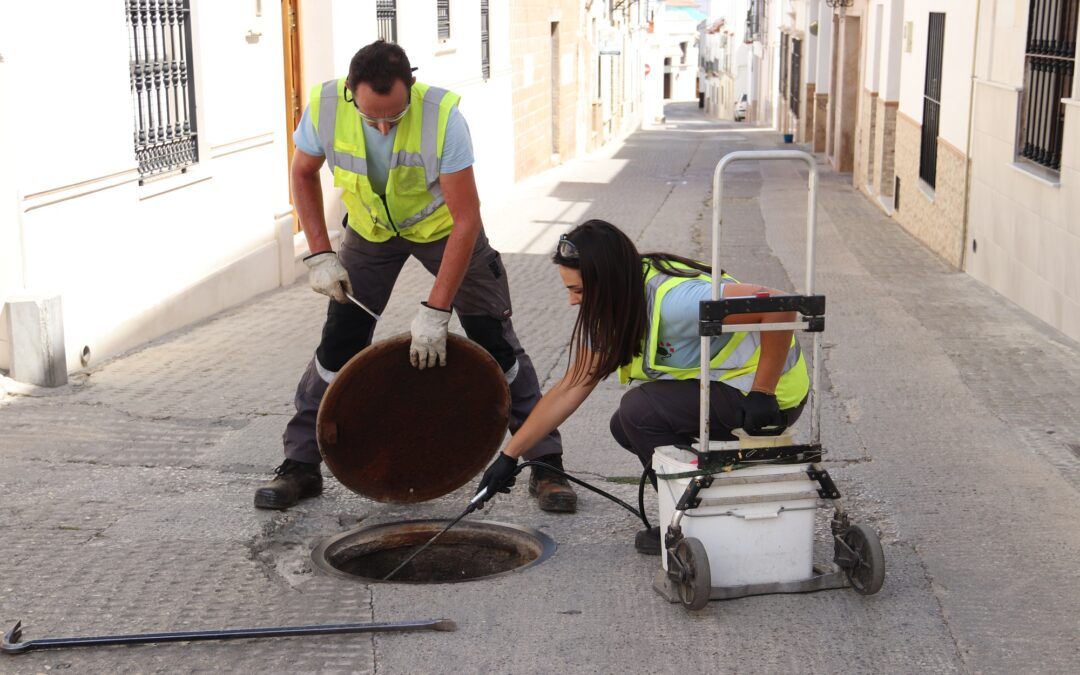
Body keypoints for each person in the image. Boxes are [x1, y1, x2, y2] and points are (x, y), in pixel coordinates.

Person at [254, 40, 577, 513]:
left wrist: (436, 309)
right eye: (372, 119)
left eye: (394, 117)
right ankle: (300, 465)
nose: (384, 127)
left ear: (411, 85)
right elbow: (303, 173)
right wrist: (319, 255)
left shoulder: (443, 116)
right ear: (350, 92)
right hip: (371, 231)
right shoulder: (323, 105)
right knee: (338, 344)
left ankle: (547, 465)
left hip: (444, 231)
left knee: (496, 343)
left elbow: (466, 218)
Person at [475, 219, 809, 554]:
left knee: (638, 411)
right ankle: (699, 506)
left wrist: (763, 392)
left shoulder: (677, 301)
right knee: (625, 424)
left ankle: (694, 518)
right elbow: (569, 388)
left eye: (578, 291)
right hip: (725, 390)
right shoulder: (613, 307)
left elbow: (778, 304)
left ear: (609, 282)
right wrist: (509, 457)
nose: (573, 302)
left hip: (768, 399)